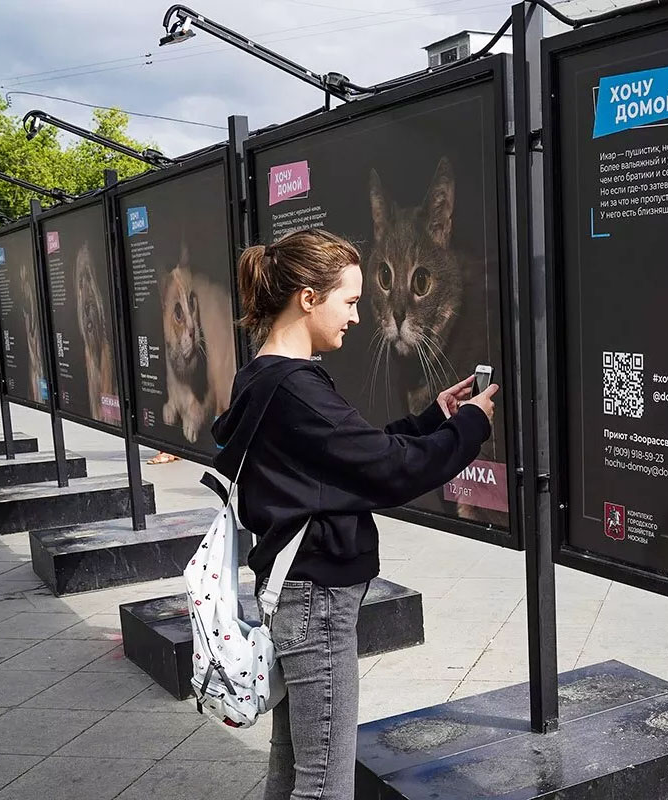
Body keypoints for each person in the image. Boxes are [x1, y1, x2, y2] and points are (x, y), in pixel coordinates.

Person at [211, 228, 496, 800]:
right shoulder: (296, 388)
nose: (359, 317)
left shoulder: (267, 379)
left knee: (293, 768)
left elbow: (348, 459)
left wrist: (432, 419)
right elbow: (390, 472)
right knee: (324, 783)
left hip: (296, 592)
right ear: (308, 298)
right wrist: (471, 426)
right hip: (315, 602)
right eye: (350, 300)